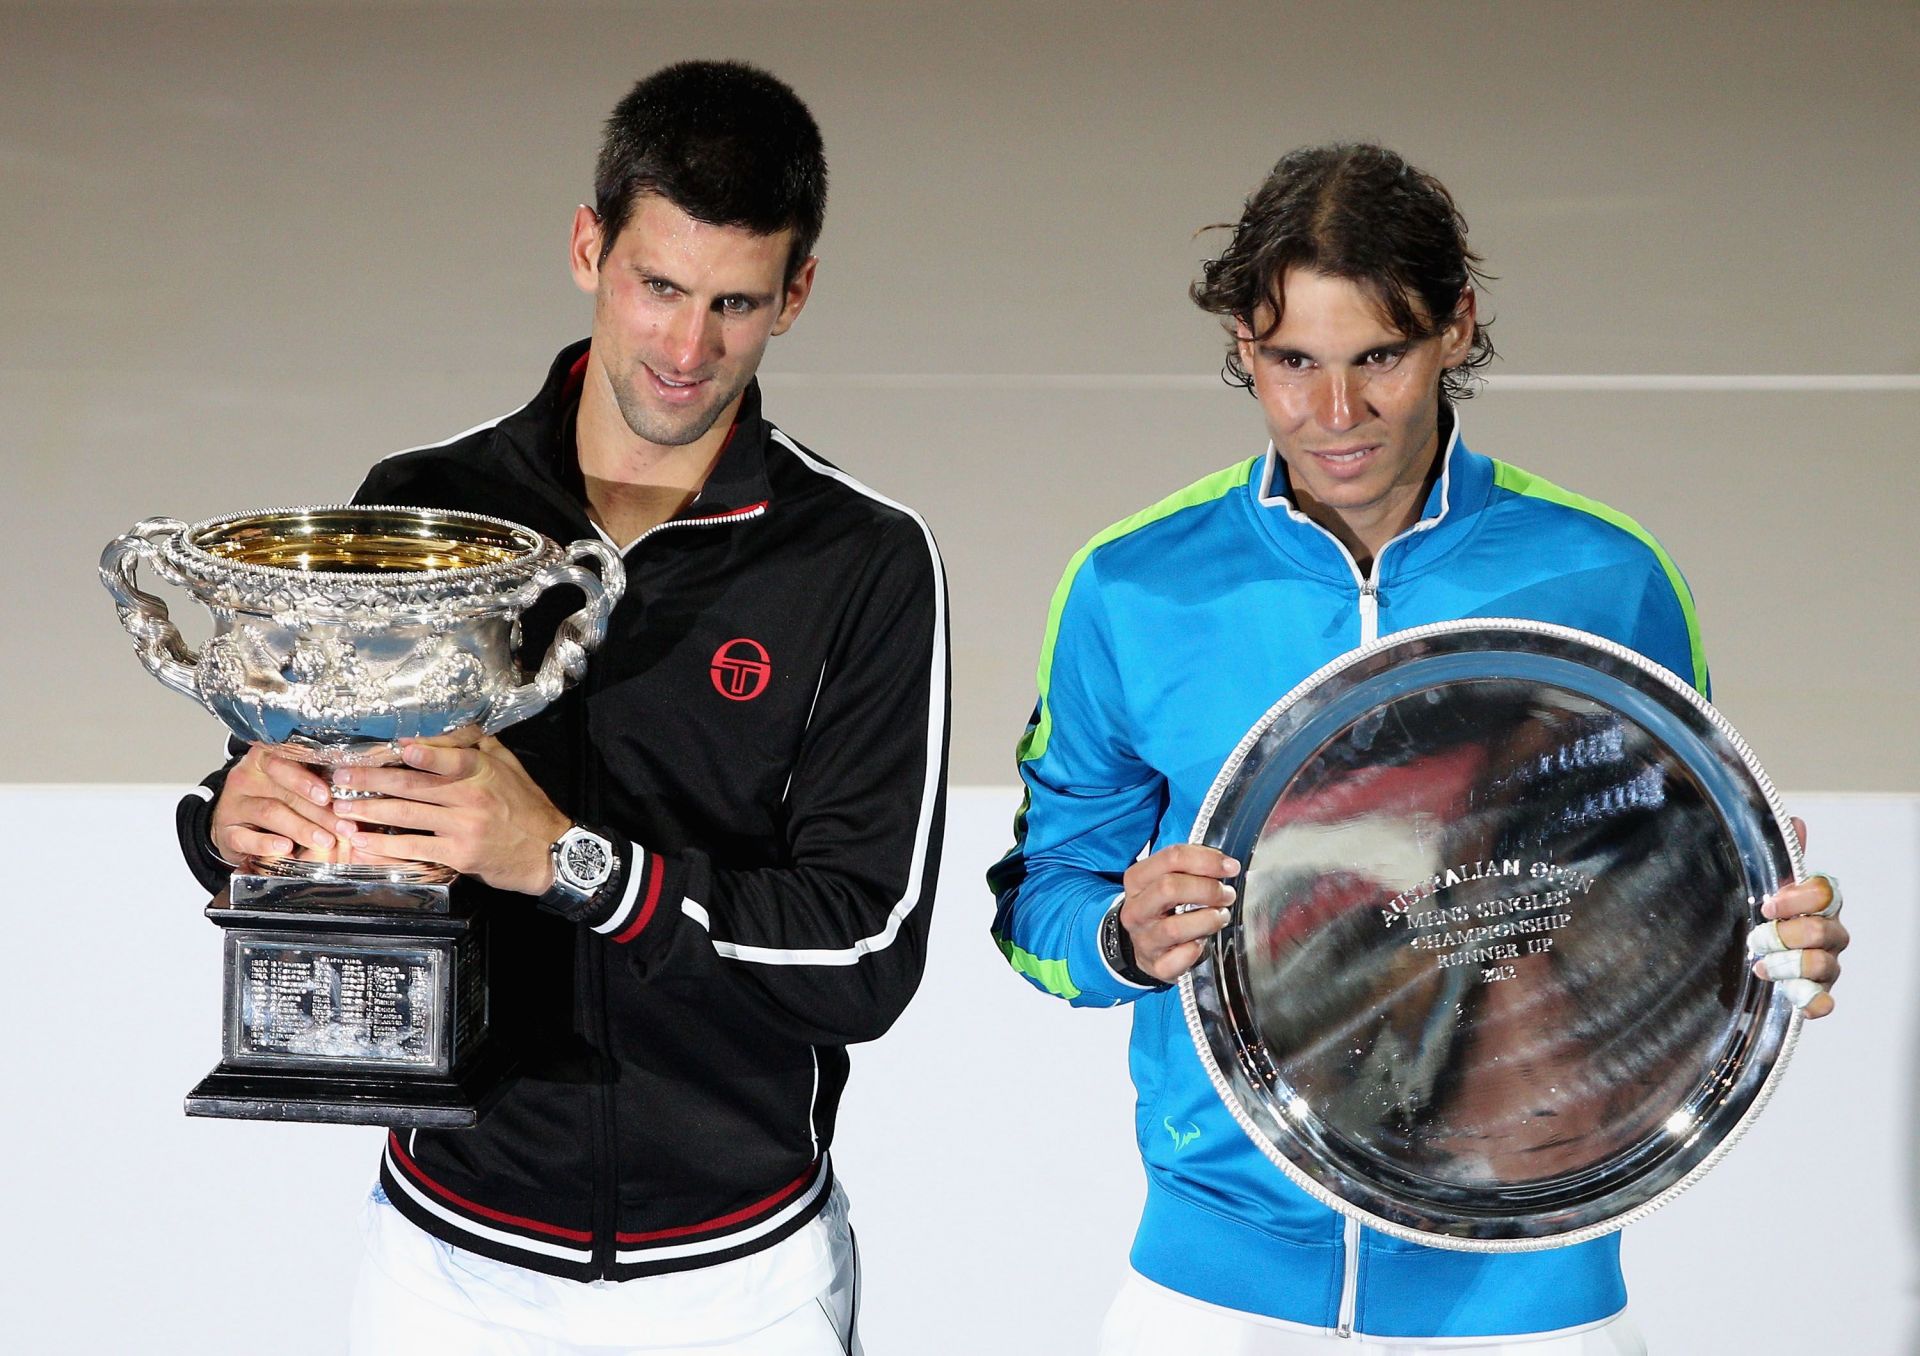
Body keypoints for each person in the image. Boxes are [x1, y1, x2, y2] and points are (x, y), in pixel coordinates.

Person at [987, 143, 1848, 1355]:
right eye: (1293, 363)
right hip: (1222, 1270)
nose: (1334, 416)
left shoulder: (1604, 576)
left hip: (1528, 1285)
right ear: (1243, 345)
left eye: (1377, 359)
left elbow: (1674, 898)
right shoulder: (1133, 588)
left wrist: (1772, 941)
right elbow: (1040, 905)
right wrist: (1123, 939)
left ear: (1456, 327)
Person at [176, 60, 948, 1355]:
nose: (687, 349)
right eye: (658, 288)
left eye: (734, 304)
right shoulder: (421, 509)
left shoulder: (860, 560)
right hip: (447, 1268)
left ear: (794, 296)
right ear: (590, 247)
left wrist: (570, 863)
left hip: (739, 1284)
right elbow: (294, 792)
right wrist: (234, 820)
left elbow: (864, 955)